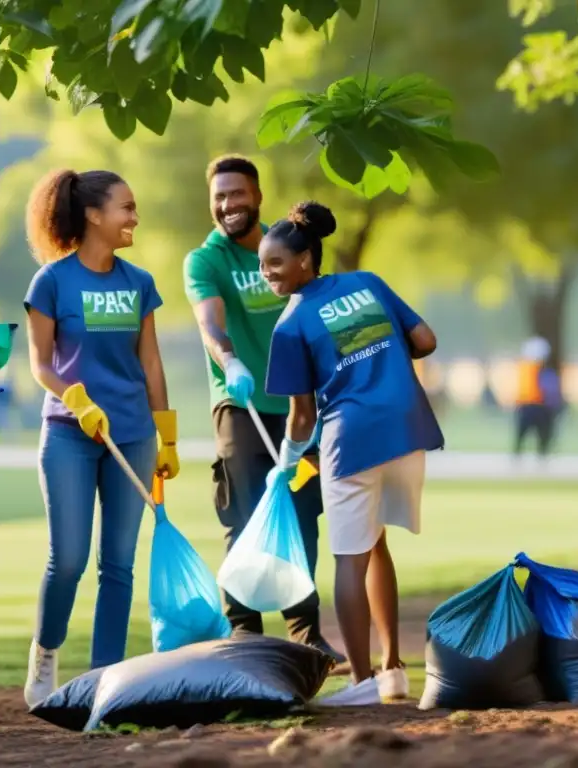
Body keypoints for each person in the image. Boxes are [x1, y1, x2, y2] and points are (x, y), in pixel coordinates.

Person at [261, 201, 444, 706]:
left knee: (349, 559)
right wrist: (379, 359)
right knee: (377, 544)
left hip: (352, 441)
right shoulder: (368, 282)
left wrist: (287, 459)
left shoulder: (290, 324)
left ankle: (362, 683)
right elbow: (425, 339)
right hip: (408, 431)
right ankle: (393, 669)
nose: (267, 274)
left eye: (275, 263)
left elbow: (300, 417)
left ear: (305, 260)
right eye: (261, 265)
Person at [22, 169, 179, 708]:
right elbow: (41, 364)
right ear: (93, 214)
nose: (134, 218)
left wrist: (168, 436)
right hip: (70, 432)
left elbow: (151, 361)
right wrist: (76, 399)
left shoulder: (139, 282)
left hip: (132, 435)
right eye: (126, 208)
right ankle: (45, 654)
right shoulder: (52, 282)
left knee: (118, 563)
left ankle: (103, 679)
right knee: (67, 559)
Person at [182, 155, 344, 664]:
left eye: (237, 194)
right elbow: (210, 324)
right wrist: (229, 360)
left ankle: (305, 632)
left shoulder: (288, 247)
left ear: (257, 195)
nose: (228, 205)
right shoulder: (205, 260)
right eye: (219, 197)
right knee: (244, 512)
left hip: (302, 406)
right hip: (242, 402)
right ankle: (244, 630)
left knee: (302, 514)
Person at [513, 336, 563, 457]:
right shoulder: (532, 368)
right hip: (535, 405)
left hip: (532, 405)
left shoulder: (526, 367)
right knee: (537, 435)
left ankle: (536, 454)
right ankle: (539, 454)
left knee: (533, 435)